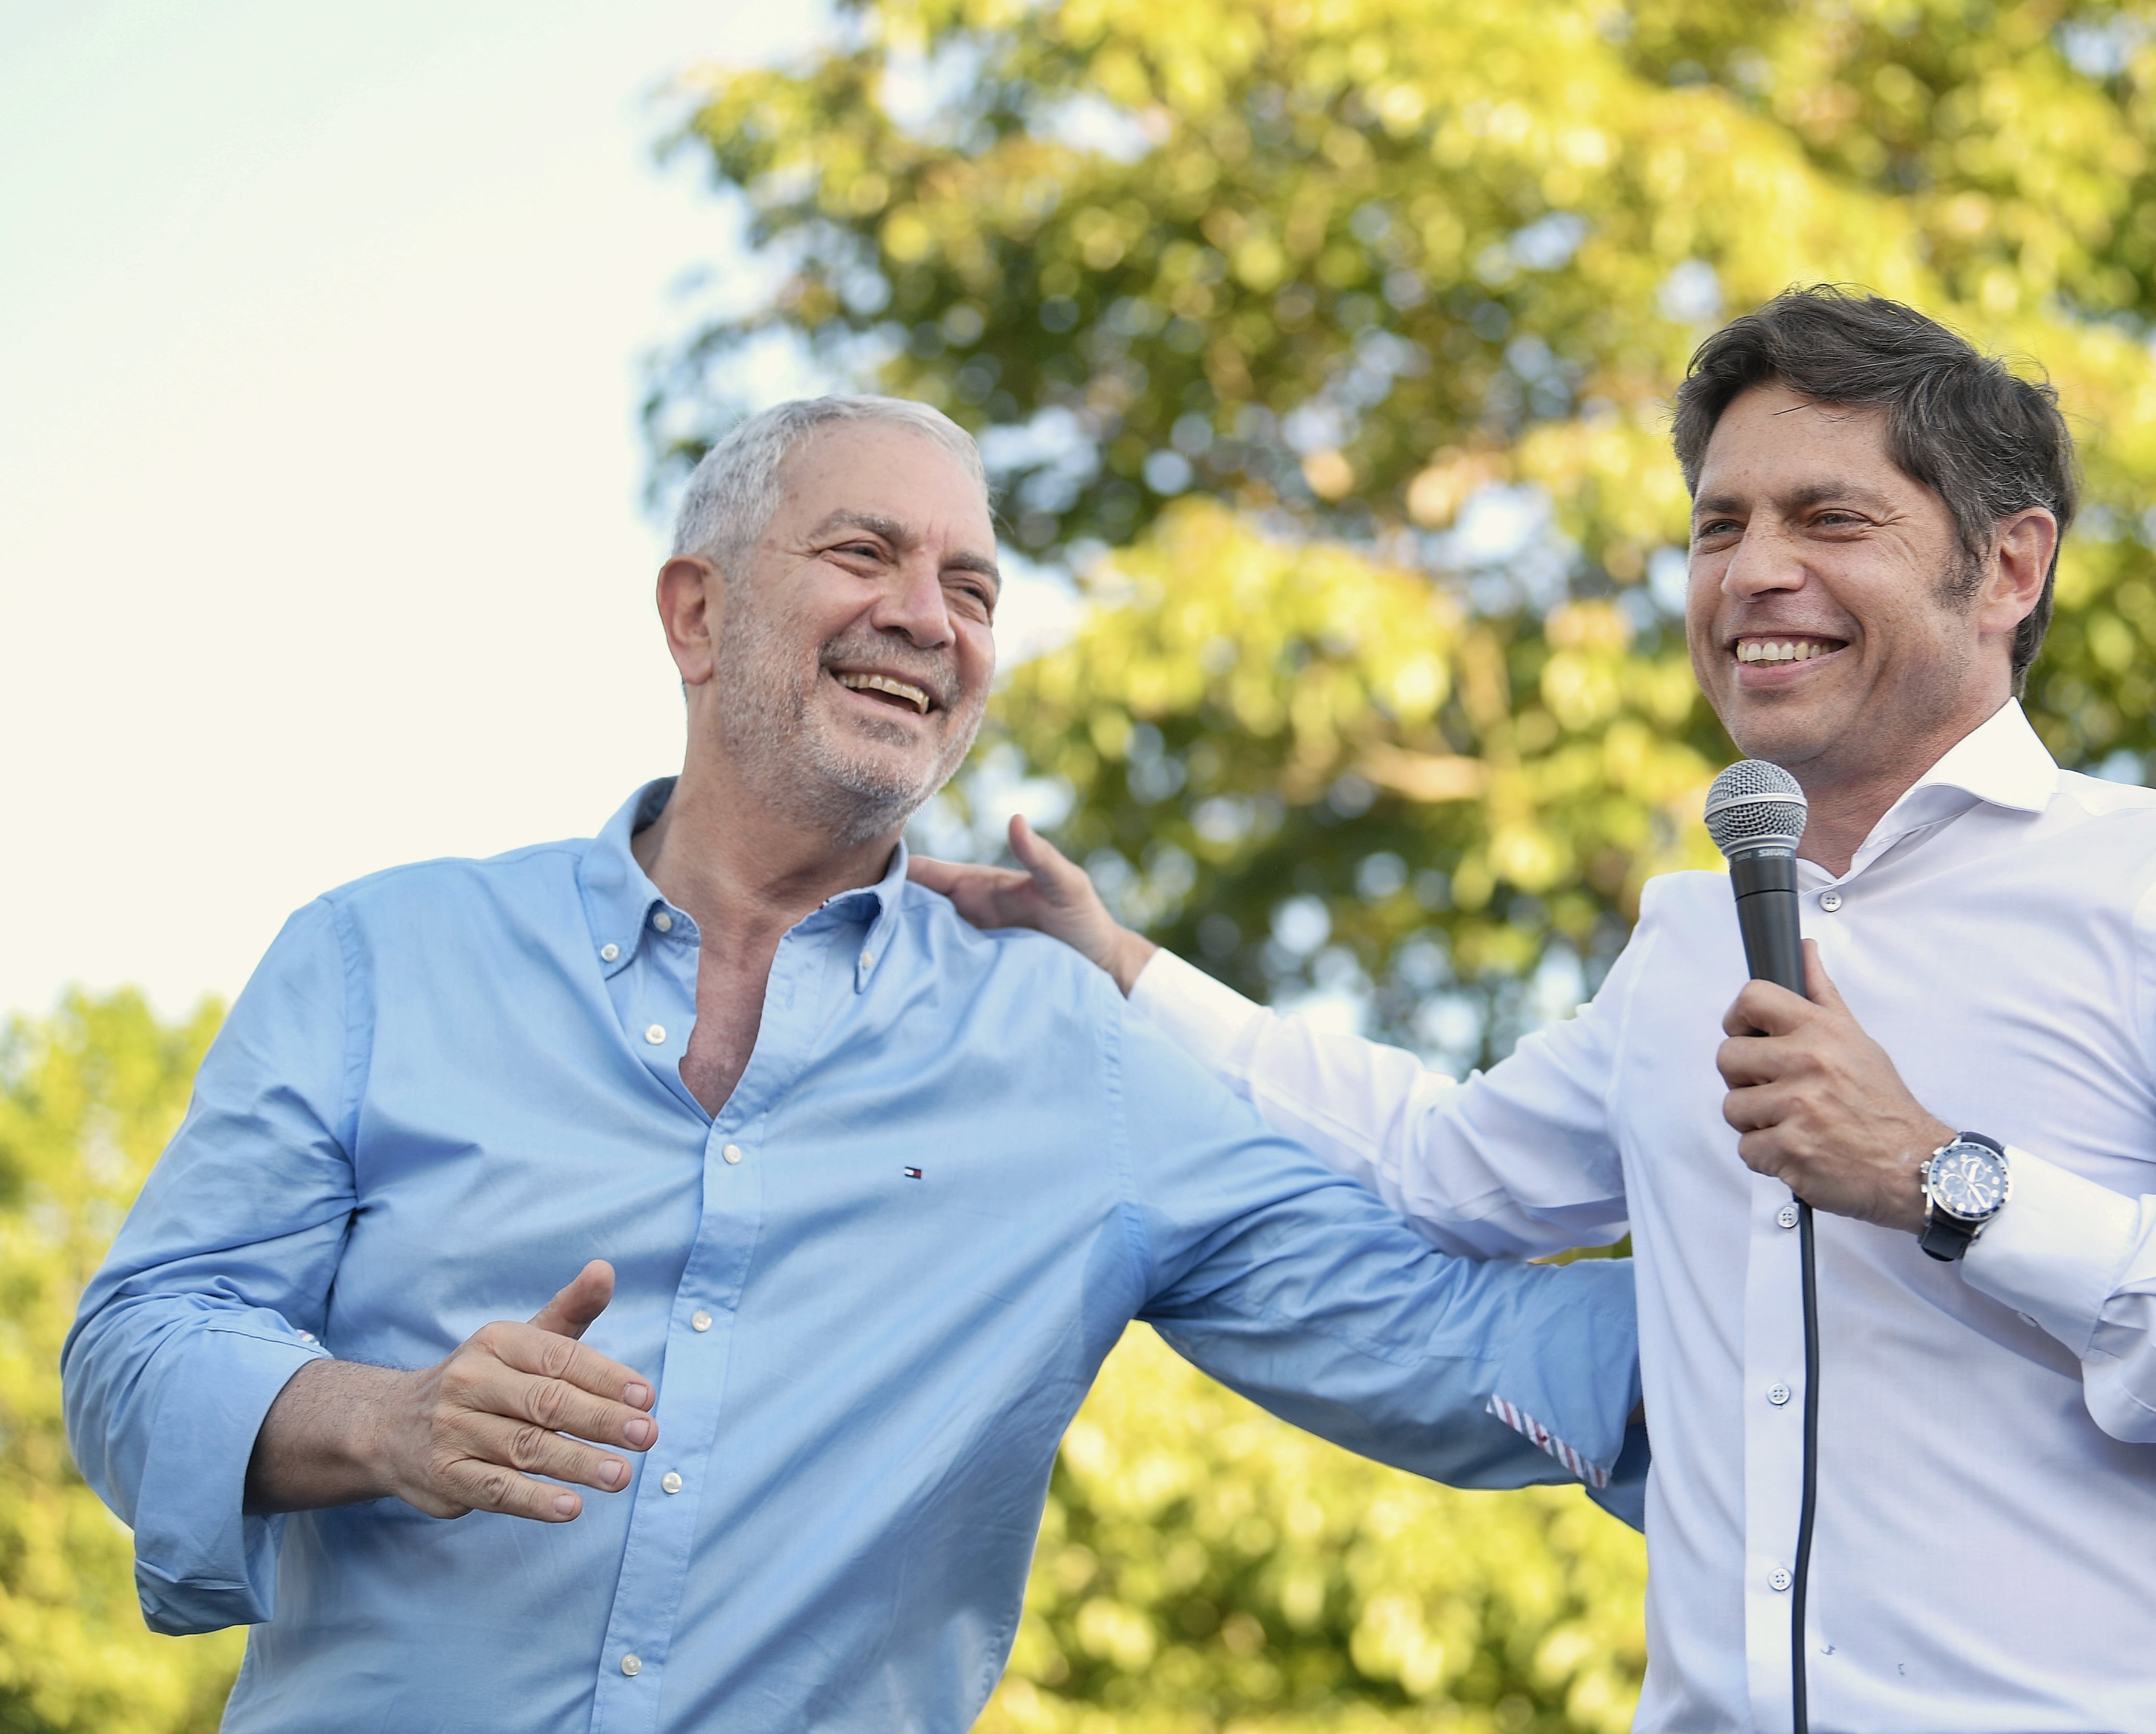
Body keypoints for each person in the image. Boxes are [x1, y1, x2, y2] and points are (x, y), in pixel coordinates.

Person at [913, 287, 2156, 1731]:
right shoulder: (1687, 939)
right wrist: (1117, 963)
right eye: (1720, 526)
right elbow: (1440, 1171)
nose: (1753, 572)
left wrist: (1945, 1182)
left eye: (1831, 518)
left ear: (2011, 566)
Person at [60, 396, 1644, 1734]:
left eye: (973, 587)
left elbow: (1466, 1351)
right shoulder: (380, 959)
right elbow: (138, 1349)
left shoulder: (1075, 1060)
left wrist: (1808, 1232)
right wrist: (385, 1420)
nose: (927, 618)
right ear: (695, 615)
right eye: (863, 554)